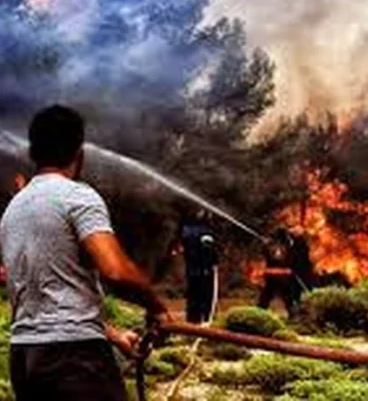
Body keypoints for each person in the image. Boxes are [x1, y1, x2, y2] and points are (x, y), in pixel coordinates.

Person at [0, 105, 172, 401]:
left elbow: (48, 299)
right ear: (79, 152)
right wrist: (156, 307)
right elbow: (115, 271)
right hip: (75, 361)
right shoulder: (78, 196)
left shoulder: (14, 210)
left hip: (26, 359)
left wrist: (114, 335)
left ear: (33, 152)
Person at [173, 211, 219, 324]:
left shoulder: (185, 230)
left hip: (191, 269)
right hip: (205, 269)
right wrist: (214, 261)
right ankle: (207, 320)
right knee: (206, 295)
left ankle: (192, 320)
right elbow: (208, 250)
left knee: (192, 295)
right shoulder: (206, 232)